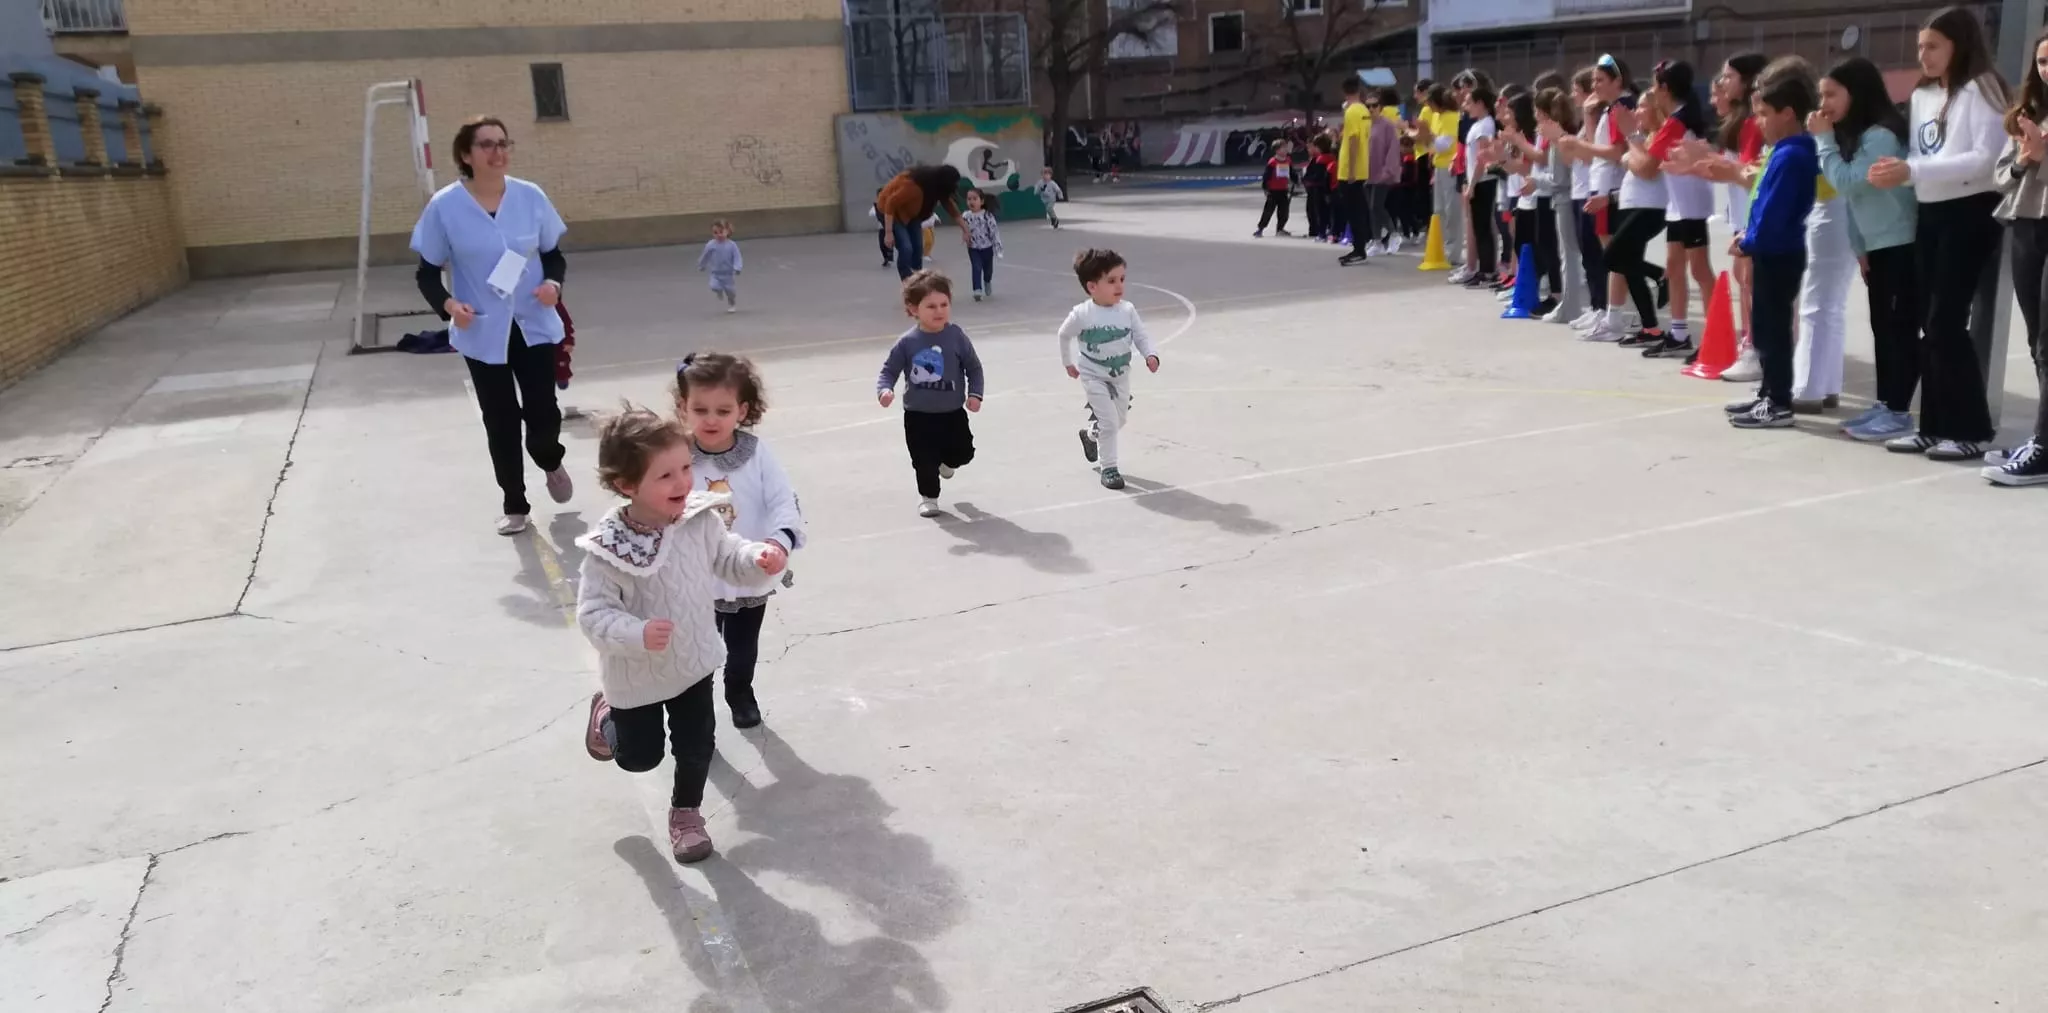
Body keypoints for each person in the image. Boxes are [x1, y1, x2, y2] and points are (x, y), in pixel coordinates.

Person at [576, 407, 787, 864]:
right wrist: (635, 632)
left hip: (693, 659)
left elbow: (728, 556)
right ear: (627, 486)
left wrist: (758, 559)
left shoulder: (700, 519)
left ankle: (686, 814)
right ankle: (606, 715)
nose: (683, 482)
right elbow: (593, 613)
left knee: (697, 747)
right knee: (639, 759)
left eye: (686, 467)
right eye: (666, 475)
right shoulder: (608, 548)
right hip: (636, 675)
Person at [410, 115, 573, 536]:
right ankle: (515, 503)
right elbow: (427, 272)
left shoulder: (530, 196)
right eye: (486, 145)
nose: (497, 152)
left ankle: (550, 459)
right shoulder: (445, 206)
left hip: (533, 324)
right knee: (500, 418)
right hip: (482, 331)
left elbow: (553, 254)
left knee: (541, 411)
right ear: (467, 154)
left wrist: (553, 283)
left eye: (503, 143)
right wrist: (449, 305)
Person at [1870, 5, 2010, 461]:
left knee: (1946, 322)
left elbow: (1984, 160)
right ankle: (1933, 425)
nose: (1924, 55)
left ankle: (1972, 428)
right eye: (1920, 47)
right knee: (1928, 325)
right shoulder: (1926, 95)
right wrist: (1909, 173)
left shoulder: (1982, 89)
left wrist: (1912, 170)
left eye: (1933, 46)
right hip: (1930, 211)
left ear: (1959, 45)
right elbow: (1920, 153)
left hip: (1970, 212)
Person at [673, 353, 805, 729]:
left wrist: (779, 543)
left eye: (722, 410)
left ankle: (739, 692)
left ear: (741, 410)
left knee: (742, 646)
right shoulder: (676, 454)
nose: (711, 419)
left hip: (749, 568)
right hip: (694, 575)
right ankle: (695, 713)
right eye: (700, 409)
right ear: (683, 408)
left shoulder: (757, 453)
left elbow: (783, 499)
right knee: (696, 649)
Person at [1814, 57, 1919, 437]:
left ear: (1855, 94)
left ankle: (1898, 411)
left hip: (1900, 243)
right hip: (1878, 246)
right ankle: (1885, 404)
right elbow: (1855, 203)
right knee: (1882, 327)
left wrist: (1823, 140)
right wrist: (1860, 247)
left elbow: (1850, 183)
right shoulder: (1857, 136)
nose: (1824, 102)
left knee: (1898, 330)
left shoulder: (1880, 136)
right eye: (1821, 94)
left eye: (1831, 94)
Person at [1727, 59, 1820, 430]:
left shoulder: (1795, 154)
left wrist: (1750, 240)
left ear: (1788, 113)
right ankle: (1768, 392)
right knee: (1765, 327)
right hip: (1770, 248)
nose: (1758, 121)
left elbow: (1776, 211)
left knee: (1773, 328)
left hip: (1779, 252)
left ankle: (1779, 400)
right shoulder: (1784, 151)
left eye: (1765, 114)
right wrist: (1749, 236)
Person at [1989, 25, 2048, 485]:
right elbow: (2001, 179)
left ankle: (2043, 448)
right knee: (2036, 344)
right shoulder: (2028, 114)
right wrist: (2026, 158)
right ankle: (2042, 437)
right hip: (2028, 226)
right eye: (2043, 62)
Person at [877, 270, 984, 517]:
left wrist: (975, 394)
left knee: (964, 453)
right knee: (923, 460)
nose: (939, 311)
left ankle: (948, 463)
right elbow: (888, 371)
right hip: (918, 415)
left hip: (952, 412)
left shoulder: (956, 336)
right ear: (913, 309)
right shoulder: (907, 342)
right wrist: (885, 390)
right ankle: (929, 497)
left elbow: (973, 368)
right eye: (931, 306)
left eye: (944, 304)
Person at [1058, 248, 1161, 491]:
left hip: (1120, 375)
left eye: (1122, 279)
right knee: (1109, 421)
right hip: (1093, 375)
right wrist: (1068, 362)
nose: (1119, 286)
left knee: (1117, 421)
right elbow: (1063, 335)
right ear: (1092, 286)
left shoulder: (1127, 310)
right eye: (1112, 281)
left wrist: (1151, 354)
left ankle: (1091, 434)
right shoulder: (1082, 314)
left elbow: (1141, 335)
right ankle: (1109, 468)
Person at [1641, 60, 1716, 360]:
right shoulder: (1675, 119)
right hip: (1678, 205)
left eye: (1655, 85)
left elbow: (1646, 167)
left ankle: (1713, 336)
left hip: (1692, 205)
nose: (1652, 92)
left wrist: (1630, 140)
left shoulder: (1677, 122)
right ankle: (1679, 332)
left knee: (1699, 270)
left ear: (1665, 89)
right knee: (1674, 268)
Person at [1610, 62, 1676, 347]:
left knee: (1613, 256)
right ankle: (1650, 327)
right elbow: (1630, 162)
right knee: (1627, 264)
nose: (1636, 113)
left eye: (1641, 108)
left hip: (1650, 206)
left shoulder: (1657, 136)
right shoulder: (1643, 138)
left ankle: (1661, 275)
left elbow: (1645, 167)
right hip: (1631, 202)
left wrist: (1630, 146)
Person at [876, 164, 968, 280]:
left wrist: (965, 230)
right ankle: (908, 282)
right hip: (889, 212)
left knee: (918, 247)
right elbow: (890, 203)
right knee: (906, 247)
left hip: (912, 214)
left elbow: (951, 208)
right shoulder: (913, 186)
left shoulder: (936, 189)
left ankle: (918, 279)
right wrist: (888, 233)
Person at [1418, 84, 1467, 270]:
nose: (1428, 107)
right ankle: (1442, 248)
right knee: (1439, 210)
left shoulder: (1451, 117)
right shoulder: (1438, 117)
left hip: (1450, 168)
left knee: (1451, 210)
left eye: (1430, 102)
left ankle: (1453, 252)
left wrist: (1427, 135)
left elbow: (1445, 144)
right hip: (1439, 167)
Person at [1460, 84, 1502, 287]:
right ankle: (1483, 268)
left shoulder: (1486, 125)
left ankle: (1488, 270)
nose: (1465, 106)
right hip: (1477, 180)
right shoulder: (1477, 124)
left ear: (1480, 103)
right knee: (1479, 227)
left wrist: (1473, 184)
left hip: (1483, 181)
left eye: (1469, 102)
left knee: (1483, 226)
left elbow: (1482, 158)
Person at [1337, 77, 1374, 265]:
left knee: (1353, 211)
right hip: (1362, 167)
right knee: (1358, 208)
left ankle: (1359, 250)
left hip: (1350, 169)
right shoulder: (1364, 110)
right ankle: (1360, 246)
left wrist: (1350, 170)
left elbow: (1353, 140)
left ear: (1345, 92)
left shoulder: (1352, 111)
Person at [1368, 88, 1405, 254]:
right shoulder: (1365, 124)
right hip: (1367, 172)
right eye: (1367, 106)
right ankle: (1377, 241)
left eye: (1374, 105)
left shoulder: (1388, 125)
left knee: (1377, 205)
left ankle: (1394, 234)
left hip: (1383, 172)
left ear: (1380, 107)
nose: (1371, 109)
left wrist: (1388, 169)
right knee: (1371, 207)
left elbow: (1393, 148)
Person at [961, 189, 1003, 300]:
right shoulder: (966, 216)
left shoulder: (987, 216)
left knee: (988, 270)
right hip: (973, 248)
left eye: (975, 199)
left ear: (982, 201)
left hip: (987, 248)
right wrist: (964, 235)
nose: (971, 201)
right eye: (969, 199)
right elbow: (964, 227)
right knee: (976, 267)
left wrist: (998, 249)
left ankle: (987, 281)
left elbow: (994, 232)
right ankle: (977, 290)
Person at [697, 219, 742, 314]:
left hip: (728, 274)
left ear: (727, 231)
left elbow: (737, 256)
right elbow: (705, 255)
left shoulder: (732, 245)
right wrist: (702, 265)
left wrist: (737, 267)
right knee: (714, 286)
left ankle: (732, 303)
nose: (719, 235)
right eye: (715, 233)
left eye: (721, 232)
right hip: (716, 273)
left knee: (731, 292)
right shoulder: (711, 245)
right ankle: (719, 291)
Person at [1255, 138, 1295, 237]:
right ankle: (1260, 228)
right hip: (1273, 191)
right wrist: (1265, 187)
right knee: (1268, 211)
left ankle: (1280, 229)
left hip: (1283, 190)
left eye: (1286, 148)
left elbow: (1292, 172)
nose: (1286, 150)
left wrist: (1296, 180)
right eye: (1283, 148)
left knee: (1284, 211)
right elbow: (1266, 176)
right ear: (1277, 150)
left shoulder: (1288, 160)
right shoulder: (1272, 162)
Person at [1303, 134, 1336, 240]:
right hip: (1330, 189)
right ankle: (1329, 231)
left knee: (1318, 212)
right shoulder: (1332, 157)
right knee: (1329, 211)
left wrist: (1307, 181)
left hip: (1318, 189)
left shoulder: (1320, 160)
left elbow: (1317, 176)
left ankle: (1320, 232)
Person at [868, 190, 893, 267]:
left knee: (892, 243)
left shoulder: (890, 204)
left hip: (891, 227)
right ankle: (886, 258)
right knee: (882, 244)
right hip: (882, 228)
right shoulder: (877, 205)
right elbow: (871, 213)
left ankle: (890, 256)